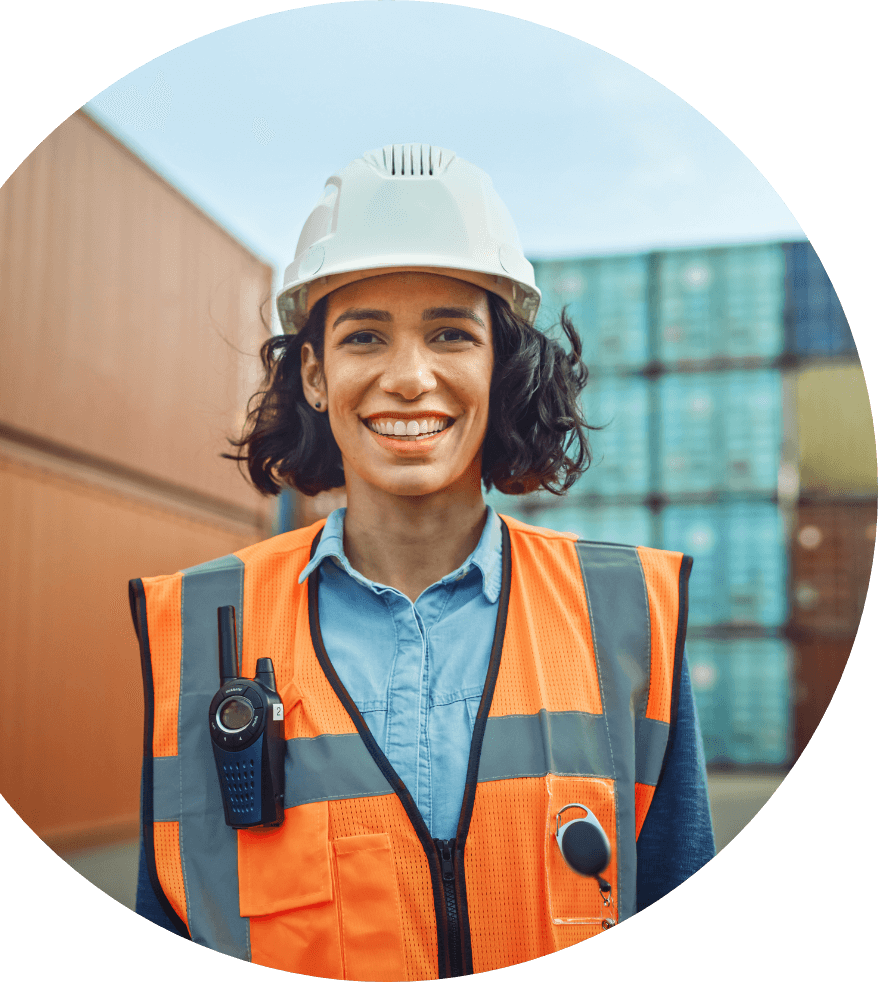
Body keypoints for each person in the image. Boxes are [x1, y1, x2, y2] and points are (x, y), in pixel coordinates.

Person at [130, 144, 716, 975]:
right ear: (316, 374)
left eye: (450, 333)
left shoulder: (624, 609)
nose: (410, 378)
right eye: (365, 336)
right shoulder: (196, 627)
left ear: (500, 367)